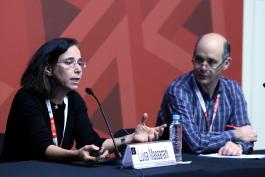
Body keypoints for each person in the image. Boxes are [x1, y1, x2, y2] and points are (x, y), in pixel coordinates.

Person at [1, 37, 167, 162]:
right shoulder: (27, 98)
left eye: (80, 63)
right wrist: (76, 155)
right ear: (48, 69)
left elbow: (91, 142)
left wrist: (130, 138)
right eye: (69, 62)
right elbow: (41, 147)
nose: (78, 69)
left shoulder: (73, 100)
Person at [156, 33, 257, 156]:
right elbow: (194, 143)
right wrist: (235, 134)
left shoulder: (233, 89)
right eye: (199, 60)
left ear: (226, 63)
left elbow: (248, 135)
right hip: (180, 168)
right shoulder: (178, 91)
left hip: (220, 167)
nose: (203, 67)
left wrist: (238, 146)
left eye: (211, 62)